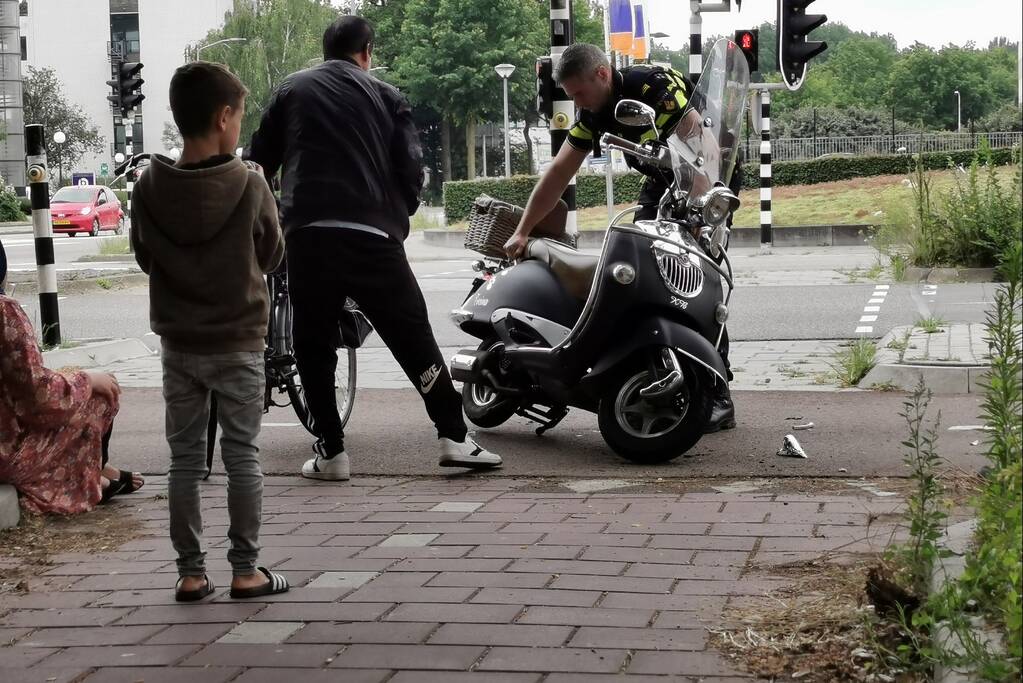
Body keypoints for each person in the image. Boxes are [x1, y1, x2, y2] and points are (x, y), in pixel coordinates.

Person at [248, 15, 502, 481]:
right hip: (372, 234)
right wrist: (395, 217)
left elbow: (258, 161)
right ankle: (453, 437)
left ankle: (331, 453)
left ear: (327, 52)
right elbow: (410, 168)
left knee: (313, 342)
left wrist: (273, 221)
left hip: (308, 232)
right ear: (366, 53)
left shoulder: (292, 90)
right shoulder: (387, 96)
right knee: (411, 334)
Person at [503, 43, 736, 433]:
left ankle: (717, 392)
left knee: (693, 281)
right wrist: (523, 229)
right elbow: (559, 173)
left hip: (708, 183)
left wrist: (697, 220)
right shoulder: (593, 114)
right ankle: (643, 363)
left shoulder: (652, 86)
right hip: (661, 185)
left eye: (579, 93)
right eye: (570, 96)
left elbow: (704, 149)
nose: (577, 103)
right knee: (641, 269)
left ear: (602, 74)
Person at [130, 62, 289, 601]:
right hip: (239, 340)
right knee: (242, 455)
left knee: (184, 460)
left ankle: (191, 573)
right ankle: (246, 571)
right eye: (240, 116)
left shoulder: (150, 184)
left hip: (179, 343)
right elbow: (271, 255)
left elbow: (146, 258)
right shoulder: (248, 182)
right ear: (224, 117)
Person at [0, 241, 143, 515]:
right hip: (9, 453)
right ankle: (89, 480)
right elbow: (39, 397)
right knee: (102, 393)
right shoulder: (5, 313)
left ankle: (98, 470)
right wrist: (87, 380)